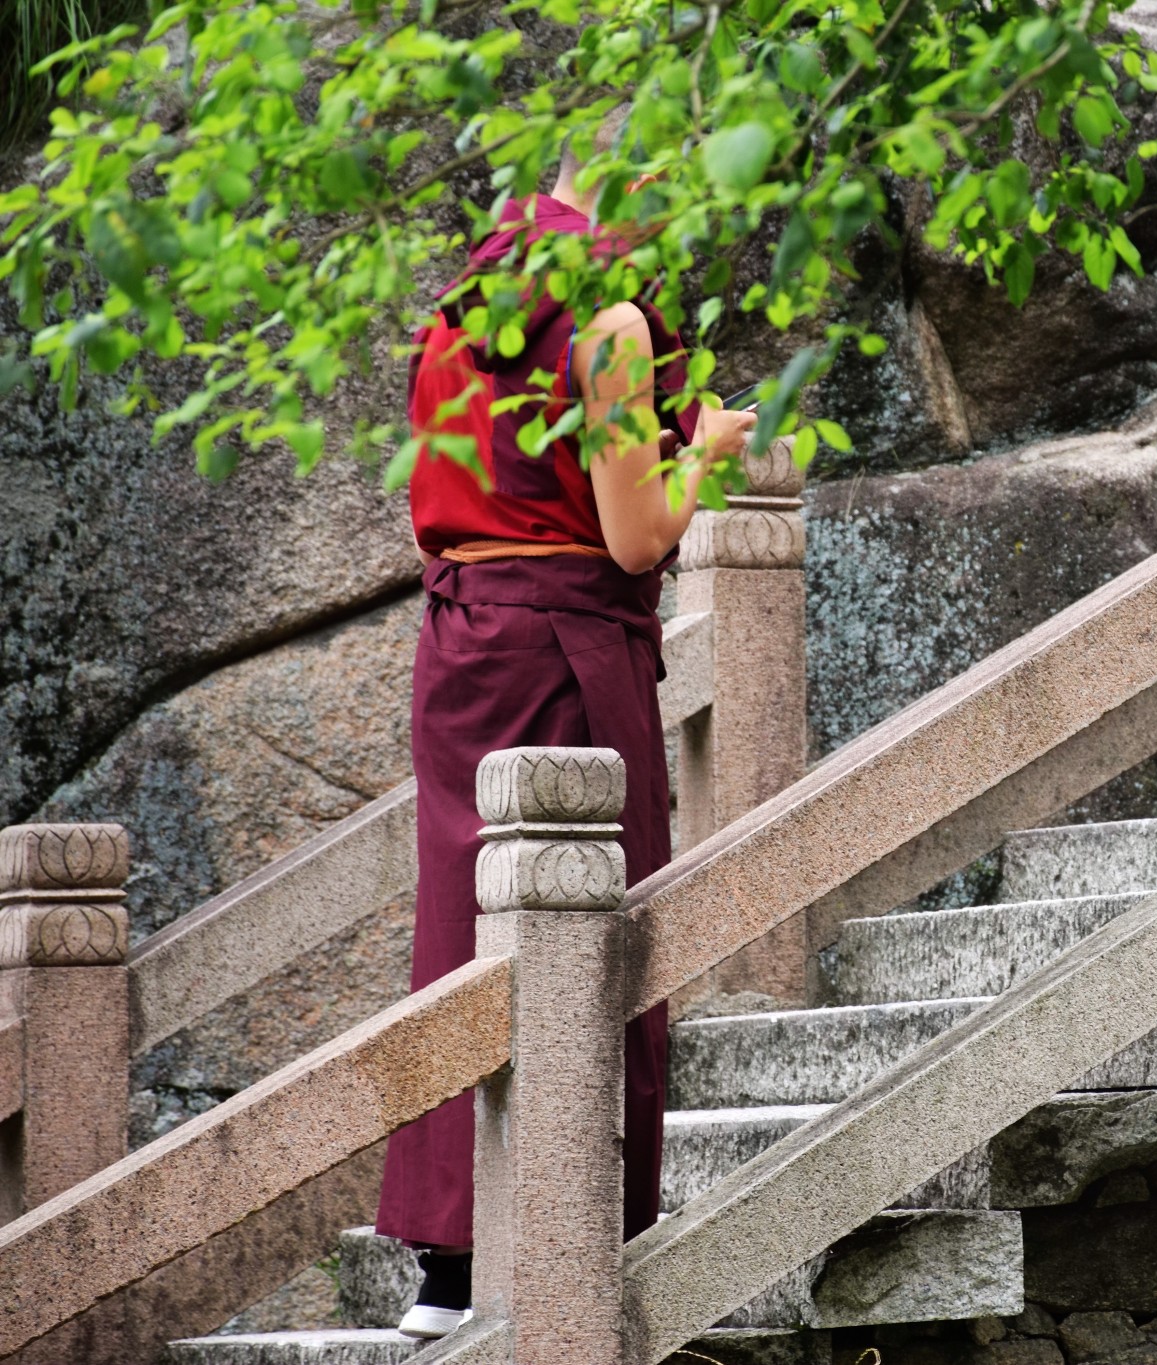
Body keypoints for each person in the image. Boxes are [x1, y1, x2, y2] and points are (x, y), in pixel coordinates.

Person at [376, 113, 756, 1340]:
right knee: (590, 928)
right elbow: (636, 535)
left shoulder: (461, 309)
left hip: (461, 644)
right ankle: (565, 1234)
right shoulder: (608, 322)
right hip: (565, 645)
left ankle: (448, 1271)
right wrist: (707, 450)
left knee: (464, 927)